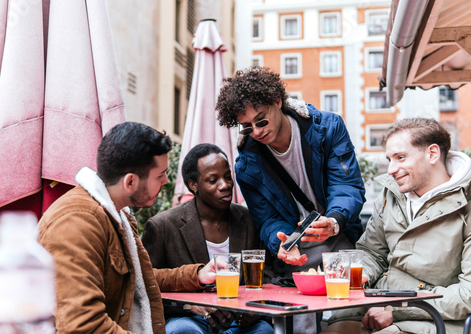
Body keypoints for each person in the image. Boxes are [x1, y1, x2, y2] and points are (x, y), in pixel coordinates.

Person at [38, 122, 219, 334]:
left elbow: (140, 278)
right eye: (160, 174)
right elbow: (84, 326)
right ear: (130, 181)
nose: (166, 181)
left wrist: (197, 275)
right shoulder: (77, 223)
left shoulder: (115, 213)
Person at [323, 118, 471, 334]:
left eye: (400, 158)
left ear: (432, 154)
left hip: (432, 320)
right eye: (389, 159)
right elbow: (372, 252)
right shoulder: (392, 194)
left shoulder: (466, 204)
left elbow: (467, 294)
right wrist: (362, 273)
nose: (391, 169)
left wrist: (398, 309)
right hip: (370, 308)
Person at [215, 66, 366, 273]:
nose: (257, 131)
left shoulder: (329, 128)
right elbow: (267, 219)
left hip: (343, 246)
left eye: (261, 120)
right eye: (247, 127)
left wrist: (333, 221)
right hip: (294, 264)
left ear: (277, 101)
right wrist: (283, 243)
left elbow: (347, 185)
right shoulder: (246, 167)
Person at [142, 143, 273, 334]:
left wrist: (254, 308)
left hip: (240, 320)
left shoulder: (250, 221)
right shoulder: (163, 226)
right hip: (189, 318)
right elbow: (146, 285)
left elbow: (268, 273)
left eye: (228, 177)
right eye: (213, 180)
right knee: (182, 331)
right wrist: (188, 306)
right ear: (193, 185)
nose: (225, 185)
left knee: (264, 331)